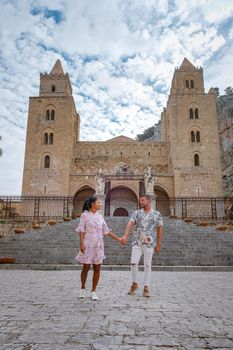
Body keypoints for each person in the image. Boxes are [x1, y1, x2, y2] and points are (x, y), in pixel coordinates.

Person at [75, 195, 122, 301]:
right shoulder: (84, 216)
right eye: (98, 202)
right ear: (92, 204)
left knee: (97, 268)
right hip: (87, 244)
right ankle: (82, 288)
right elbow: (82, 230)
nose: (100, 204)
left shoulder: (100, 217)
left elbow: (107, 231)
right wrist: (81, 243)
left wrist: (119, 239)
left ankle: (93, 291)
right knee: (85, 267)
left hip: (98, 245)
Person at [121, 194, 163, 298]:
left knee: (147, 265)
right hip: (137, 242)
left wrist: (158, 244)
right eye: (140, 201)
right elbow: (130, 224)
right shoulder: (137, 213)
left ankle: (146, 287)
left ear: (149, 201)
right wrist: (125, 236)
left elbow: (159, 229)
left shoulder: (156, 214)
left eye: (143, 200)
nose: (141, 202)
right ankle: (135, 283)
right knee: (133, 263)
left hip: (149, 243)